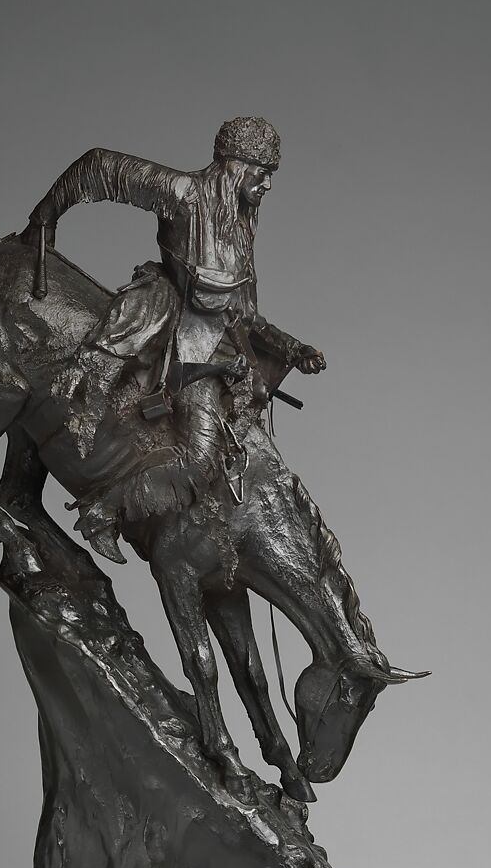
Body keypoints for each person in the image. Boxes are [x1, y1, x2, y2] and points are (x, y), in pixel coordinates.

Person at [24, 117, 325, 562]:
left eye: (270, 174)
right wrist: (46, 213)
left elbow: (244, 315)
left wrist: (293, 349)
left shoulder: (239, 225)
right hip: (183, 350)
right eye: (261, 172)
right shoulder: (184, 193)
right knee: (200, 462)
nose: (267, 184)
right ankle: (103, 510)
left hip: (224, 352)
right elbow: (100, 165)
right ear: (235, 166)